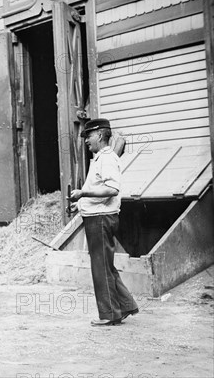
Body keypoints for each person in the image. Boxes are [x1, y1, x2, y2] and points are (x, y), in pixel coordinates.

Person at [67, 118, 139, 327]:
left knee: (101, 268)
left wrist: (82, 193)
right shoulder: (101, 158)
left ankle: (109, 314)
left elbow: (111, 189)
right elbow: (100, 190)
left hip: (100, 219)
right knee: (106, 266)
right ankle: (124, 306)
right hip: (97, 216)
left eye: (88, 136)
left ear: (99, 135)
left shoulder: (106, 159)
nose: (86, 141)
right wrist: (80, 204)